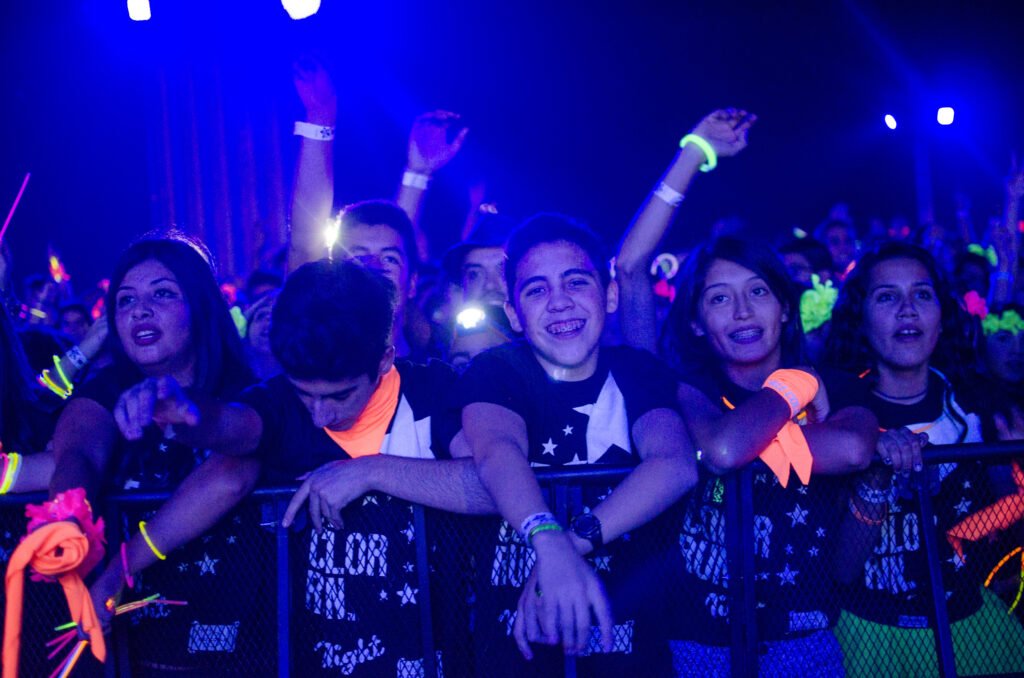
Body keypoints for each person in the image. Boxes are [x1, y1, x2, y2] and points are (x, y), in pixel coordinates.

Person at [98, 258, 496, 675]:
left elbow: (492, 486)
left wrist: (370, 471)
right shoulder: (278, 403)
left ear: (384, 360)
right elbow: (230, 428)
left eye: (339, 396)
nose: (320, 415)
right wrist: (186, 414)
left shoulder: (432, 390)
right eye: (306, 395)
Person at [461, 214, 698, 675]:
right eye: (536, 290)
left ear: (609, 295)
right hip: (517, 656)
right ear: (513, 313)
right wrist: (546, 538)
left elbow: (675, 464)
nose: (559, 302)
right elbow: (496, 452)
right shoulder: (497, 370)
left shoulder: (635, 370)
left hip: (629, 654)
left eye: (576, 282)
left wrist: (566, 546)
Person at [664, 236, 877, 676]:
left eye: (758, 291)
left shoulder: (838, 386)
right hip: (698, 643)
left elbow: (853, 450)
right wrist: (794, 386)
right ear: (697, 323)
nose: (742, 311)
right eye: (719, 298)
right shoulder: (690, 389)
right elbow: (723, 450)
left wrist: (748, 437)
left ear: (783, 308)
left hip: (803, 641)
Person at [49, 234, 260, 674]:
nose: (140, 311)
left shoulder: (248, 389)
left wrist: (119, 568)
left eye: (162, 294)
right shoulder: (107, 389)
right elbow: (78, 453)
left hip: (240, 647)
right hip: (136, 650)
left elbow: (231, 473)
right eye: (125, 300)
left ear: (200, 305)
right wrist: (67, 524)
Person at [825, 241, 1024, 677]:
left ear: (942, 314)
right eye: (887, 297)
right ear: (860, 318)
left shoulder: (977, 409)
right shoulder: (837, 414)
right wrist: (876, 474)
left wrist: (1017, 472)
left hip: (971, 627)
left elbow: (1008, 532)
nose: (907, 310)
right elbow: (840, 569)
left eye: (922, 294)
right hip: (867, 635)